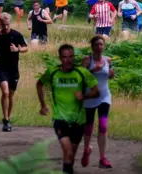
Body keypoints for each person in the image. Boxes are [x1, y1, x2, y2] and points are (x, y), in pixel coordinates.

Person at [36, 44, 99, 174]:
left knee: (70, 157)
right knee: (68, 152)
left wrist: (85, 96)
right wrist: (43, 104)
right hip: (60, 118)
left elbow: (96, 92)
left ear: (74, 57)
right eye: (65, 57)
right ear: (60, 58)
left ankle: (68, 168)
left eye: (71, 57)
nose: (68, 60)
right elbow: (39, 84)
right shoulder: (53, 72)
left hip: (78, 119)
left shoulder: (82, 73)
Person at [0, 13, 28, 132]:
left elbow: (26, 47)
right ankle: (5, 119)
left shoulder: (16, 35)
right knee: (5, 92)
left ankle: (8, 118)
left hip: (13, 70)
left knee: (10, 95)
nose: (5, 27)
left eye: (7, 24)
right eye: (3, 25)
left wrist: (18, 49)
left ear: (10, 23)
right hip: (0, 68)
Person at [80, 36, 114, 169]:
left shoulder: (108, 60)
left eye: (101, 44)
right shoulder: (87, 60)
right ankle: (86, 150)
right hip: (90, 97)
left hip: (104, 96)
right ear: (92, 47)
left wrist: (111, 74)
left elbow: (110, 74)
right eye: (97, 44)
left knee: (103, 125)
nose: (99, 47)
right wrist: (92, 71)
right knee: (89, 126)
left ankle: (102, 158)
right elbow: (80, 76)